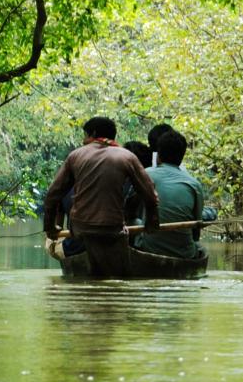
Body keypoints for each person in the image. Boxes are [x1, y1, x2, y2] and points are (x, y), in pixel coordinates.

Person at [43, 116, 160, 276]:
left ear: (94, 134)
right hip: (112, 229)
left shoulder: (75, 156)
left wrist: (50, 228)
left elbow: (52, 196)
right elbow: (150, 195)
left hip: (81, 230)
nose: (84, 141)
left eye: (85, 136)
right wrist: (152, 223)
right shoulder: (127, 157)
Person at [135, 129, 205, 260]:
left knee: (135, 221)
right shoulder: (194, 184)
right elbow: (196, 232)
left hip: (148, 249)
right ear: (182, 156)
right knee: (201, 248)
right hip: (184, 254)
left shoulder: (145, 175)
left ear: (158, 154)